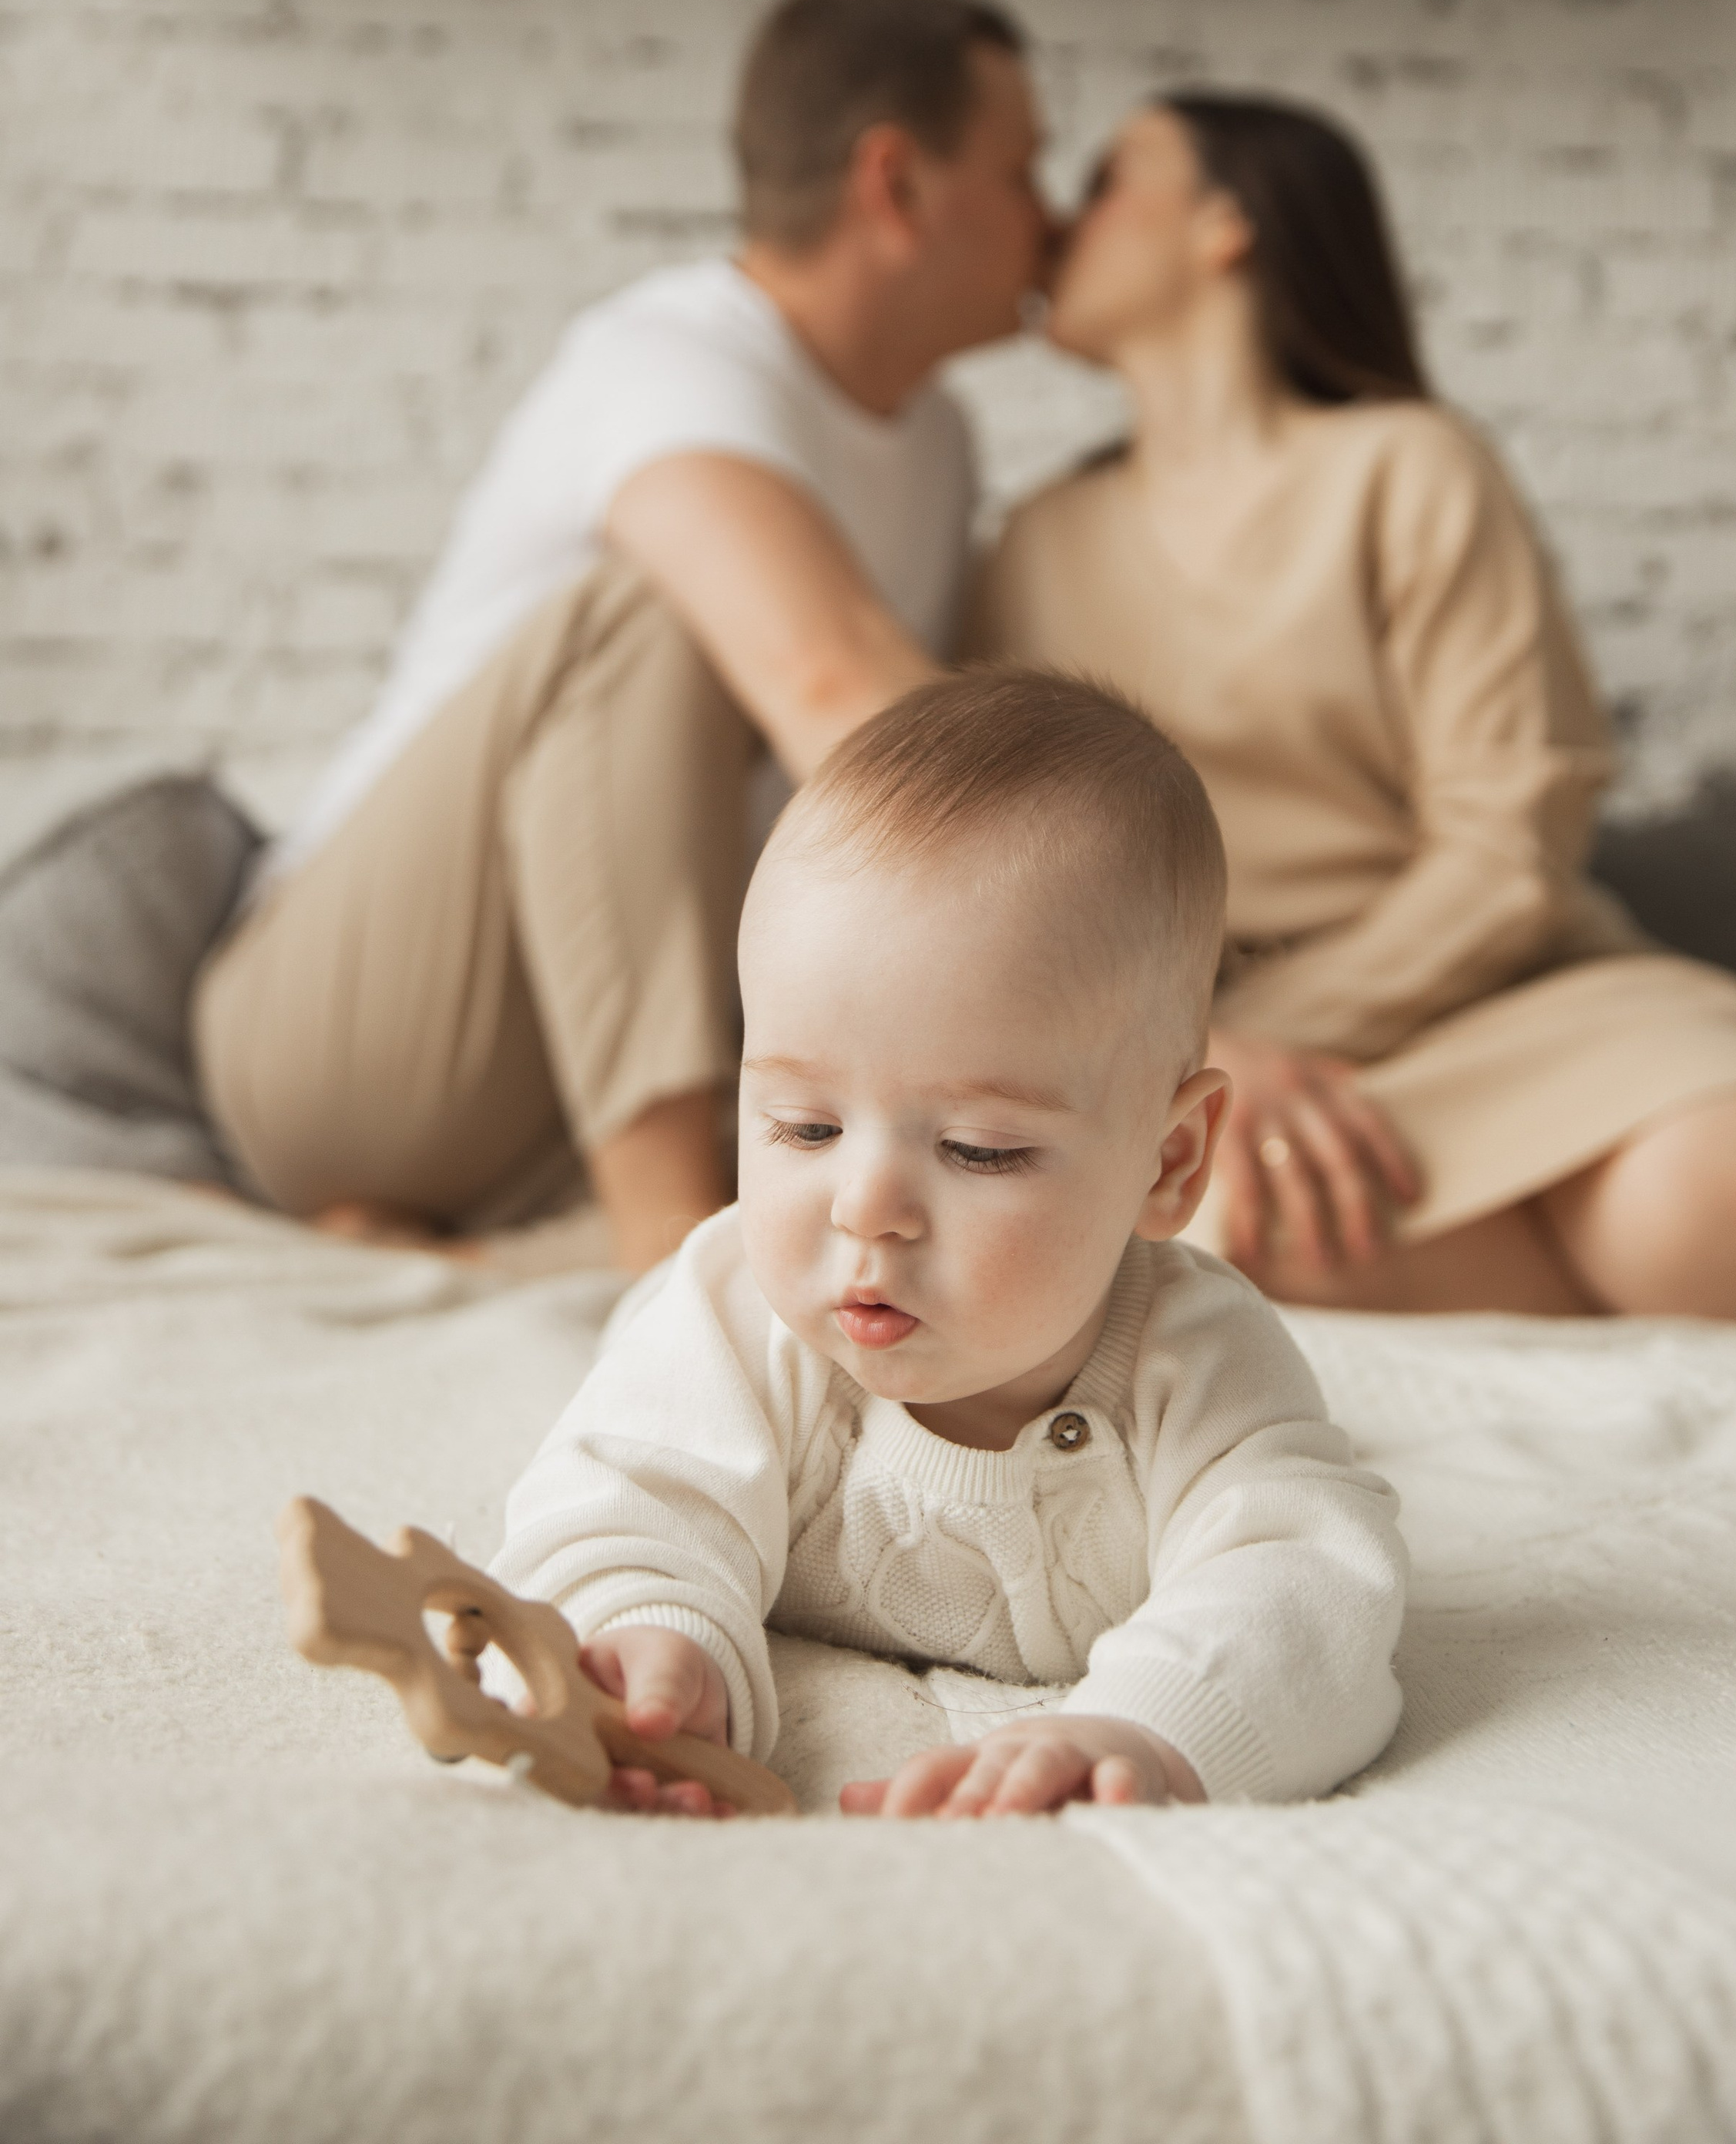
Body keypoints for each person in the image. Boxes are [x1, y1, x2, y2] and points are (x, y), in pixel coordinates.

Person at [975, 93, 1736, 1324]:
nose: (1063, 222)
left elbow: (1510, 854)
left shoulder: (1411, 465)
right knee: (1214, 1238)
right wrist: (1189, 1058)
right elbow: (1002, 871)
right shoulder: (1029, 545)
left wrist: (1241, 1036)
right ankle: (1597, 1256)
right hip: (1229, 1072)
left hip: (1497, 1002)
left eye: (1111, 178)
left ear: (1226, 224)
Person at [192, 0, 1050, 1271]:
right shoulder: (670, 358)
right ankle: (671, 1254)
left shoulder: (940, 444)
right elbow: (833, 686)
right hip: (340, 1035)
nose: (1051, 220)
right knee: (658, 613)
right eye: (1025, 169)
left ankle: (463, 1241)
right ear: (899, 185)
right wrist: (1133, 998)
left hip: (573, 1065)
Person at [494, 668, 1406, 1817]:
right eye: (804, 1126)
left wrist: (1149, 1730)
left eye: (978, 1150)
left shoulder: (1197, 1367)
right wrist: (650, 1640)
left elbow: (1311, 1589)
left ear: (1169, 1162)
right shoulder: (735, 1314)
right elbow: (619, 1497)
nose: (864, 1209)